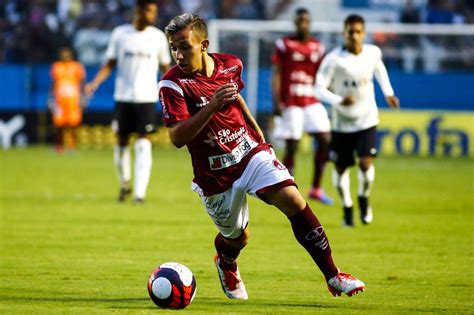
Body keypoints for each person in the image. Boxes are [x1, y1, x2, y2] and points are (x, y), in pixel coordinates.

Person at [158, 13, 365, 300]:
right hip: (215, 175)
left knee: (293, 199)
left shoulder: (230, 64)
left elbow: (236, 99)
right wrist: (211, 106)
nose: (178, 55)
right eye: (173, 48)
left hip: (249, 153)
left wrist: (260, 138)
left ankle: (333, 274)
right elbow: (177, 137)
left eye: (184, 47)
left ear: (203, 44)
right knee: (237, 237)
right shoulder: (172, 85)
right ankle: (226, 262)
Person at [315, 14, 400, 227]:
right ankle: (347, 207)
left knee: (365, 163)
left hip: (367, 119)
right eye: (350, 32)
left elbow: (379, 69)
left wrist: (388, 92)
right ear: (344, 33)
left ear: (363, 33)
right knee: (341, 169)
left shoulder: (372, 53)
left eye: (358, 32)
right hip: (342, 123)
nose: (354, 36)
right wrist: (338, 100)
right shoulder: (334, 59)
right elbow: (318, 87)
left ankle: (363, 197)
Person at [85, 0, 171, 203]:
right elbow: (110, 63)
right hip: (123, 96)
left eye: (154, 12)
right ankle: (125, 183)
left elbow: (165, 68)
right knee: (121, 141)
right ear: (138, 11)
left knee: (144, 142)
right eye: (149, 11)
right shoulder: (120, 34)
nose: (152, 15)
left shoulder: (158, 37)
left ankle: (140, 194)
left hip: (147, 97)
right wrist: (95, 83)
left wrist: (176, 88)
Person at [271, 8, 333, 205]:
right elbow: (277, 73)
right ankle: (288, 188)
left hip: (312, 100)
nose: (303, 24)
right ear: (295, 23)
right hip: (291, 102)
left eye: (306, 20)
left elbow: (322, 75)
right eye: (299, 20)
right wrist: (276, 101)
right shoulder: (284, 45)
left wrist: (328, 93)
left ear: (310, 22)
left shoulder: (318, 47)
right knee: (292, 145)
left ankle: (316, 187)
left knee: (325, 139)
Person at [49, 46, 86, 153]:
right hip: (59, 100)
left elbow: (82, 82)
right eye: (63, 54)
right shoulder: (56, 66)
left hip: (73, 100)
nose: (65, 56)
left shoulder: (77, 67)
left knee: (73, 124)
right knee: (58, 124)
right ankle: (59, 147)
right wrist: (51, 97)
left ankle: (72, 147)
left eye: (67, 54)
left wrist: (83, 97)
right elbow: (54, 82)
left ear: (71, 55)